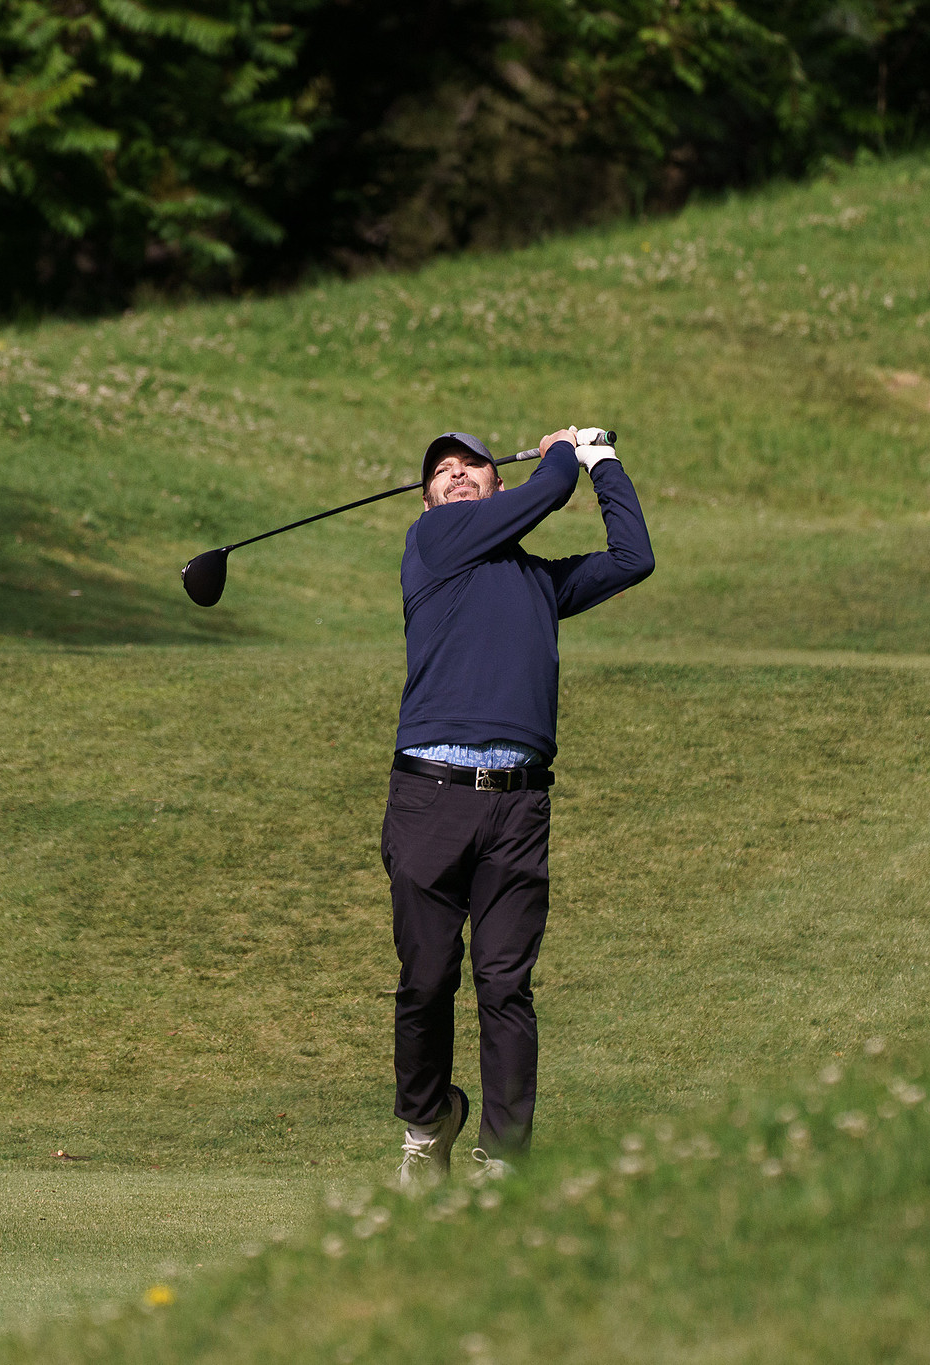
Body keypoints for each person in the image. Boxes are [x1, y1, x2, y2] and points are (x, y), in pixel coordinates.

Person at [384, 427, 653, 1190]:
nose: (456, 475)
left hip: (518, 805)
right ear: (429, 499)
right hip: (429, 794)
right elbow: (551, 488)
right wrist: (562, 449)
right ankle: (426, 1124)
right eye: (441, 470)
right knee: (426, 978)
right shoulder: (433, 541)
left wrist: (603, 461)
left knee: (505, 984)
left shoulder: (537, 582)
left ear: (496, 484)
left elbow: (634, 558)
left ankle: (503, 1160)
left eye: (471, 465)